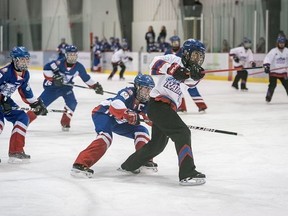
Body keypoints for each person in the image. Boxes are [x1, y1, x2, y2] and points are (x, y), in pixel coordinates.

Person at [119, 39, 206, 186]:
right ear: (186, 53)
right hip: (158, 105)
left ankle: (128, 165)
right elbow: (154, 64)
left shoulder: (194, 73)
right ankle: (187, 173)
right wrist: (174, 70)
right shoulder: (173, 59)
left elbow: (191, 82)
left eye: (201, 57)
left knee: (157, 146)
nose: (198, 59)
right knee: (182, 133)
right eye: (195, 55)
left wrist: (195, 74)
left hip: (165, 109)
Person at [71, 74, 157, 178]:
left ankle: (143, 160)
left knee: (142, 131)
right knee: (105, 137)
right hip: (104, 113)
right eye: (145, 89)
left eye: (150, 89)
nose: (147, 92)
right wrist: (127, 112)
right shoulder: (128, 92)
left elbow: (149, 116)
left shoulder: (147, 102)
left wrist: (155, 120)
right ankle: (80, 164)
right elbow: (115, 104)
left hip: (120, 121)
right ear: (137, 87)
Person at [27, 45, 104, 131]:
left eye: (74, 54)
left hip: (66, 88)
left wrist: (95, 86)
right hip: (53, 88)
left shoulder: (79, 67)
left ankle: (65, 122)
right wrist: (54, 77)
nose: (72, 56)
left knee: (72, 103)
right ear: (66, 55)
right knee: (39, 106)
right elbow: (46, 69)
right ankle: (25, 121)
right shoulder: (58, 63)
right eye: (70, 54)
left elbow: (86, 78)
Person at [0, 46, 48, 163]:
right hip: (3, 101)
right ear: (14, 60)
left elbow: (26, 92)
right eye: (21, 60)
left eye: (26, 59)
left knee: (22, 117)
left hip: (6, 101)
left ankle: (15, 151)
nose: (24, 62)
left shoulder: (25, 74)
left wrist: (36, 104)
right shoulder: (4, 73)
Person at [165, 35, 208, 113]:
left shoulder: (184, 50)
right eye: (174, 43)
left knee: (193, 89)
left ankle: (201, 106)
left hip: (188, 73)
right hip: (175, 74)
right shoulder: (168, 52)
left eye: (177, 42)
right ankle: (181, 107)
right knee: (177, 90)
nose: (175, 44)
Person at [263, 36, 288, 102]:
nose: (282, 44)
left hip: (283, 72)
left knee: (287, 85)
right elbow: (267, 58)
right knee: (272, 85)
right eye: (280, 43)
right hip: (274, 72)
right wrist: (266, 66)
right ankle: (268, 97)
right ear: (278, 43)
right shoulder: (273, 51)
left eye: (283, 43)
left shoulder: (287, 51)